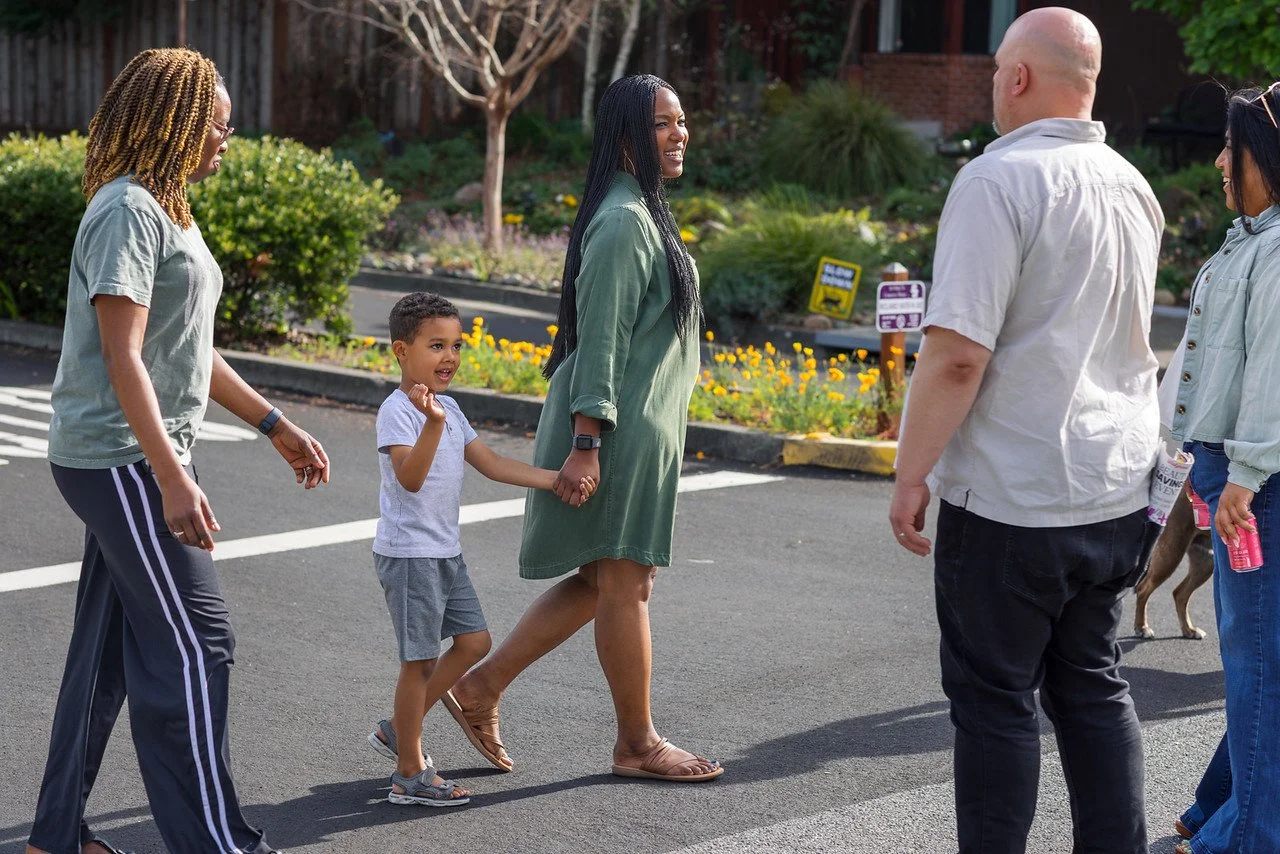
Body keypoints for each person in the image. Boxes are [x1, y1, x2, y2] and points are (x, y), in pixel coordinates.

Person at [27, 49, 330, 854]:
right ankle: (216, 845)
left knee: (108, 656)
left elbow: (187, 348)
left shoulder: (169, 208)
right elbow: (123, 355)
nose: (229, 138)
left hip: (137, 456)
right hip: (118, 456)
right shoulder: (128, 209)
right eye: (218, 124)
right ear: (174, 121)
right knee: (197, 646)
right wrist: (170, 477)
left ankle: (53, 837)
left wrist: (276, 426)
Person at [888, 8, 1164, 853]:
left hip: (1014, 491)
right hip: (1116, 483)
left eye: (996, 68)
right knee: (1092, 684)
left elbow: (957, 357)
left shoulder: (995, 182)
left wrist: (910, 473)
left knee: (995, 700)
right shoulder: (1132, 183)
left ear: (1016, 78)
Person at [441, 74, 722, 783]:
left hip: (636, 427)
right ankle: (637, 743)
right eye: (663, 123)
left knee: (608, 579)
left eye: (682, 121)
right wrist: (587, 444)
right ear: (627, 134)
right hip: (616, 432)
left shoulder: (639, 210)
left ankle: (478, 689)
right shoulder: (626, 220)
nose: (679, 133)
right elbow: (599, 341)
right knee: (623, 584)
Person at [364, 292, 594, 806]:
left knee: (474, 642)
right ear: (402, 351)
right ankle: (408, 773)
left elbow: (489, 463)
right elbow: (411, 478)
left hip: (444, 552)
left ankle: (399, 728)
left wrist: (555, 478)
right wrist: (432, 424)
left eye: (456, 345)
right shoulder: (398, 412)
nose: (450, 357)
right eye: (436, 345)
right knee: (418, 663)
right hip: (409, 556)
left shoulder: (448, 408)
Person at [1165, 83, 1280, 854]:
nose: (1217, 162)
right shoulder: (1252, 237)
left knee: (1257, 661)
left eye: (1230, 149)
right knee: (1259, 656)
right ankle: (1221, 808)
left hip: (1257, 486)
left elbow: (1275, 368)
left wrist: (1241, 476)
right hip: (1238, 473)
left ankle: (1249, 837)